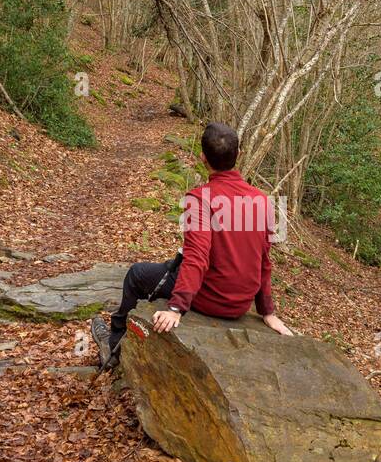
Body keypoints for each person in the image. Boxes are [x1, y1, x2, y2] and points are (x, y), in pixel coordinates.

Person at [92, 122, 292, 369]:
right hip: (241, 303)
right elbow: (264, 260)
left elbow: (197, 256)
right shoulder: (262, 201)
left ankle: (113, 345)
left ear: (202, 158)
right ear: (239, 154)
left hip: (210, 298)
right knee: (168, 267)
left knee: (136, 274)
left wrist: (176, 307)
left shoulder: (199, 199)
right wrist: (267, 311)